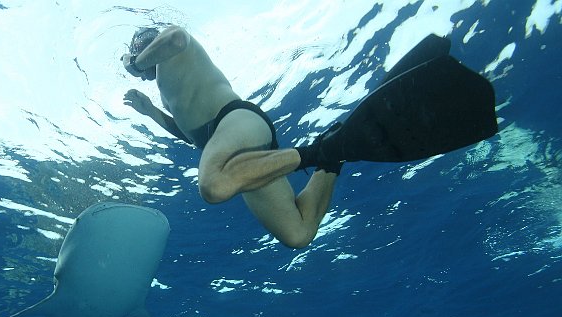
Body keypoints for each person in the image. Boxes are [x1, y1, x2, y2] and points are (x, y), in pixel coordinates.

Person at [121, 26, 498, 248]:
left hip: (236, 120)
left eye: (138, 49)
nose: (138, 59)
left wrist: (137, 61)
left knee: (214, 185)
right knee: (298, 234)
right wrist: (150, 112)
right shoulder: (166, 88)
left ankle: (315, 150)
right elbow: (191, 135)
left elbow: (175, 37)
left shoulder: (173, 51)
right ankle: (333, 151)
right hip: (235, 152)